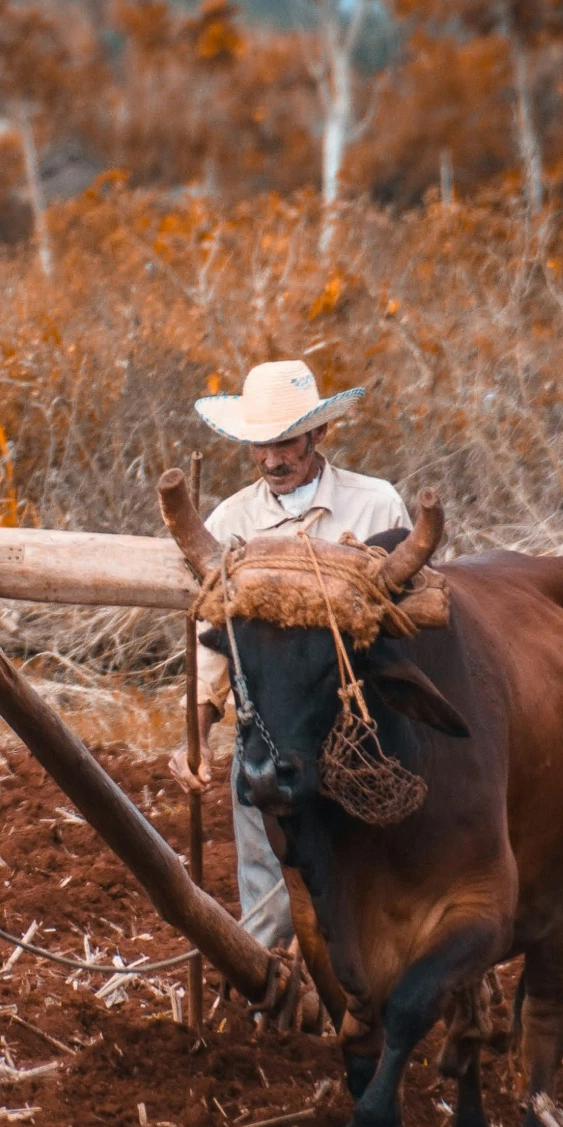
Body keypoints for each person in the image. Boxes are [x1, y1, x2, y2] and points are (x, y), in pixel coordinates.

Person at [169, 359, 412, 948]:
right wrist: (197, 736)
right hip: (268, 735)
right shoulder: (230, 522)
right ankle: (268, 1005)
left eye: (286, 443)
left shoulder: (377, 508)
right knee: (272, 904)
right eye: (261, 444)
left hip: (360, 737)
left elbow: (411, 632)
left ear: (318, 436)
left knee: (369, 892)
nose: (273, 459)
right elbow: (213, 646)